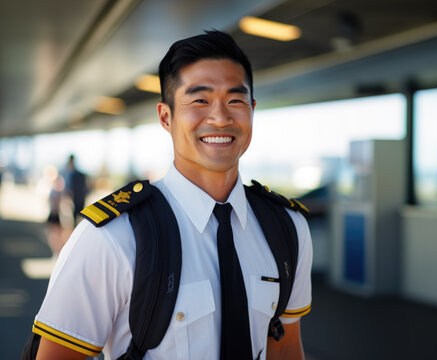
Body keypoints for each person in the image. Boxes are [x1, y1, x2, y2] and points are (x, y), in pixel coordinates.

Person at [31, 30, 313, 360]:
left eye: (235, 100)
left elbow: (286, 346)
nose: (220, 118)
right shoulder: (112, 237)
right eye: (200, 100)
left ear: (252, 110)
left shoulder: (287, 229)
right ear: (166, 117)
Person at [63, 154, 88, 226]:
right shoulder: (69, 173)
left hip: (77, 199)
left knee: (77, 217)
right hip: (75, 199)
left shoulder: (75, 175)